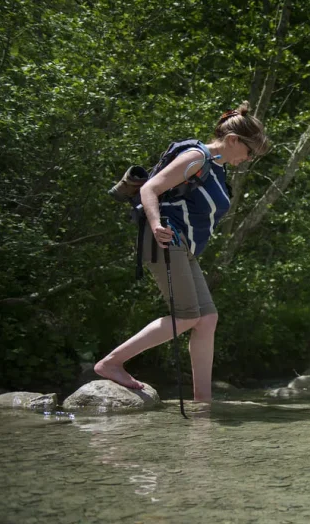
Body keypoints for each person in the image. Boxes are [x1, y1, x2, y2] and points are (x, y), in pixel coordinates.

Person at [94, 102, 269, 402]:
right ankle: (110, 363)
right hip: (164, 239)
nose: (248, 159)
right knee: (187, 316)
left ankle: (203, 400)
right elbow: (150, 189)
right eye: (249, 152)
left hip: (184, 248)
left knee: (207, 318)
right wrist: (155, 223)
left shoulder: (217, 168)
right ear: (233, 140)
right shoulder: (197, 157)